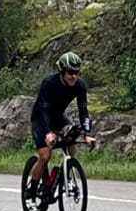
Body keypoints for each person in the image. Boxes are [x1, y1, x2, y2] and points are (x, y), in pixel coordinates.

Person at [24, 51, 96, 201]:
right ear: (62, 71)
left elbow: (83, 110)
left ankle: (67, 173)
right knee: (45, 156)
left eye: (77, 72)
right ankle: (31, 190)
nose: (74, 76)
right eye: (70, 72)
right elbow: (43, 109)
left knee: (72, 135)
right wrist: (48, 133)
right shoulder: (49, 83)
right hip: (41, 119)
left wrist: (88, 133)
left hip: (58, 117)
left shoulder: (80, 86)